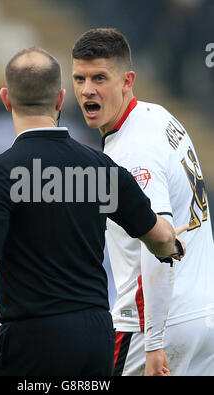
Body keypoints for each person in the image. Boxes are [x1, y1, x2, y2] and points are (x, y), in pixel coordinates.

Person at [0, 47, 185, 376]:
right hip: (95, 337)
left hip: (33, 338)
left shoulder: (0, 173)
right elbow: (160, 237)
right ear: (61, 99)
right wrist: (171, 244)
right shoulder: (101, 168)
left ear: (7, 99)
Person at [72, 28, 214, 376]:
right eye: (79, 78)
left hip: (156, 325)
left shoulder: (133, 152)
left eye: (99, 78)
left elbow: (159, 246)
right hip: (202, 315)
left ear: (127, 80)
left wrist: (153, 342)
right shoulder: (158, 115)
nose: (87, 89)